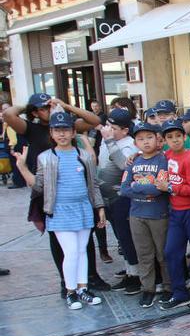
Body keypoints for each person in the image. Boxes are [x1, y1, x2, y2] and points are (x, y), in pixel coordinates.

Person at [4, 93, 108, 293]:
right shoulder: (31, 128)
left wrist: (65, 105)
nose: (49, 109)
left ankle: (90, 277)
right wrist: (29, 107)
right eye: (44, 108)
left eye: (50, 105)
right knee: (59, 240)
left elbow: (95, 120)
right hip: (49, 191)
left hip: (77, 189)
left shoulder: (68, 125)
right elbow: (8, 114)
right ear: (35, 112)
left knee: (84, 237)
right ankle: (66, 282)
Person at [120, 123, 171, 308]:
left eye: (149, 137)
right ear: (135, 142)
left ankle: (168, 287)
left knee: (162, 253)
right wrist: (143, 190)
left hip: (158, 214)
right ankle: (148, 289)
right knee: (144, 254)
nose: (145, 142)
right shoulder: (133, 162)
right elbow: (124, 189)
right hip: (137, 215)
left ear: (157, 140)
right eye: (140, 139)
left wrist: (137, 187)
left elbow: (159, 189)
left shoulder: (162, 160)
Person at [158, 119, 190, 310]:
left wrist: (171, 187)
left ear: (184, 137)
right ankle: (179, 292)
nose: (175, 140)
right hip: (175, 212)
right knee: (171, 251)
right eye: (170, 137)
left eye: (178, 136)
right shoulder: (166, 155)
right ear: (164, 140)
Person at [99, 109, 142, 294]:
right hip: (108, 199)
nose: (109, 130)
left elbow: (123, 165)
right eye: (108, 126)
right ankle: (130, 271)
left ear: (125, 130)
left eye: (113, 127)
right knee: (121, 239)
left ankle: (136, 275)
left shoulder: (130, 145)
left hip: (122, 198)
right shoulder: (110, 141)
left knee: (127, 238)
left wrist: (109, 141)